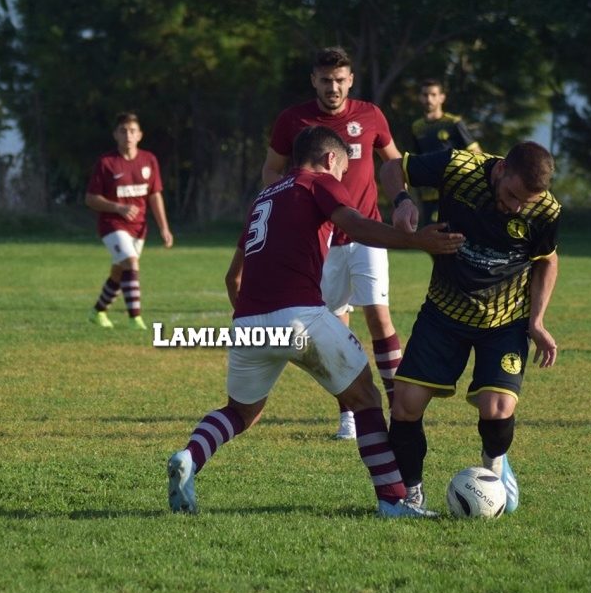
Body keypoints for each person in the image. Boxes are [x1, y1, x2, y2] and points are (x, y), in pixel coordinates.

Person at [167, 125, 464, 518]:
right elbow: (356, 225)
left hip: (248, 324)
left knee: (240, 412)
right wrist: (415, 241)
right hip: (299, 317)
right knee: (366, 397)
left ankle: (189, 457)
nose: (342, 178)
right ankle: (393, 500)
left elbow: (232, 279)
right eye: (343, 170)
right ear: (330, 159)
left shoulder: (263, 198)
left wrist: (257, 322)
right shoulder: (319, 182)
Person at [379, 141, 560, 516]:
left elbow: (547, 260)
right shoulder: (458, 167)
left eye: (525, 202)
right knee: (405, 404)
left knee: (497, 407)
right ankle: (412, 493)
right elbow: (392, 167)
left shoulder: (546, 209)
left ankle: (494, 465)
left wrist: (537, 321)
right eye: (512, 195)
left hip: (503, 321)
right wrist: (402, 201)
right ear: (501, 169)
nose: (516, 207)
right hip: (443, 312)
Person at [262, 47, 416, 440]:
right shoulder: (293, 120)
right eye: (326, 80)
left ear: (351, 81)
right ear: (314, 80)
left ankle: (400, 409)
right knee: (332, 328)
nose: (333, 87)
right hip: (320, 240)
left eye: (340, 80)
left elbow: (393, 161)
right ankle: (349, 414)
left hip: (367, 233)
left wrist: (402, 198)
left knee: (379, 316)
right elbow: (271, 170)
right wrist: (292, 202)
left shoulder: (370, 115)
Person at [85, 112, 173, 331]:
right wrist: (118, 207)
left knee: (119, 271)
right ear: (115, 135)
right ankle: (135, 319)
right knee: (131, 263)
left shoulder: (149, 160)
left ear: (140, 135)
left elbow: (154, 195)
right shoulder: (106, 162)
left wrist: (164, 227)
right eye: (123, 131)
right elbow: (90, 199)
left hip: (139, 227)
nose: (128, 135)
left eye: (132, 131)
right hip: (112, 225)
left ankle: (97, 312)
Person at [408, 79, 482, 226]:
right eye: (425, 95)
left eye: (433, 95)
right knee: (431, 234)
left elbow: (476, 153)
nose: (429, 99)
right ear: (420, 97)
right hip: (428, 194)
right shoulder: (417, 126)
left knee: (454, 233)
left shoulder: (453, 123)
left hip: (453, 192)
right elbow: (416, 160)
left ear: (442, 97)